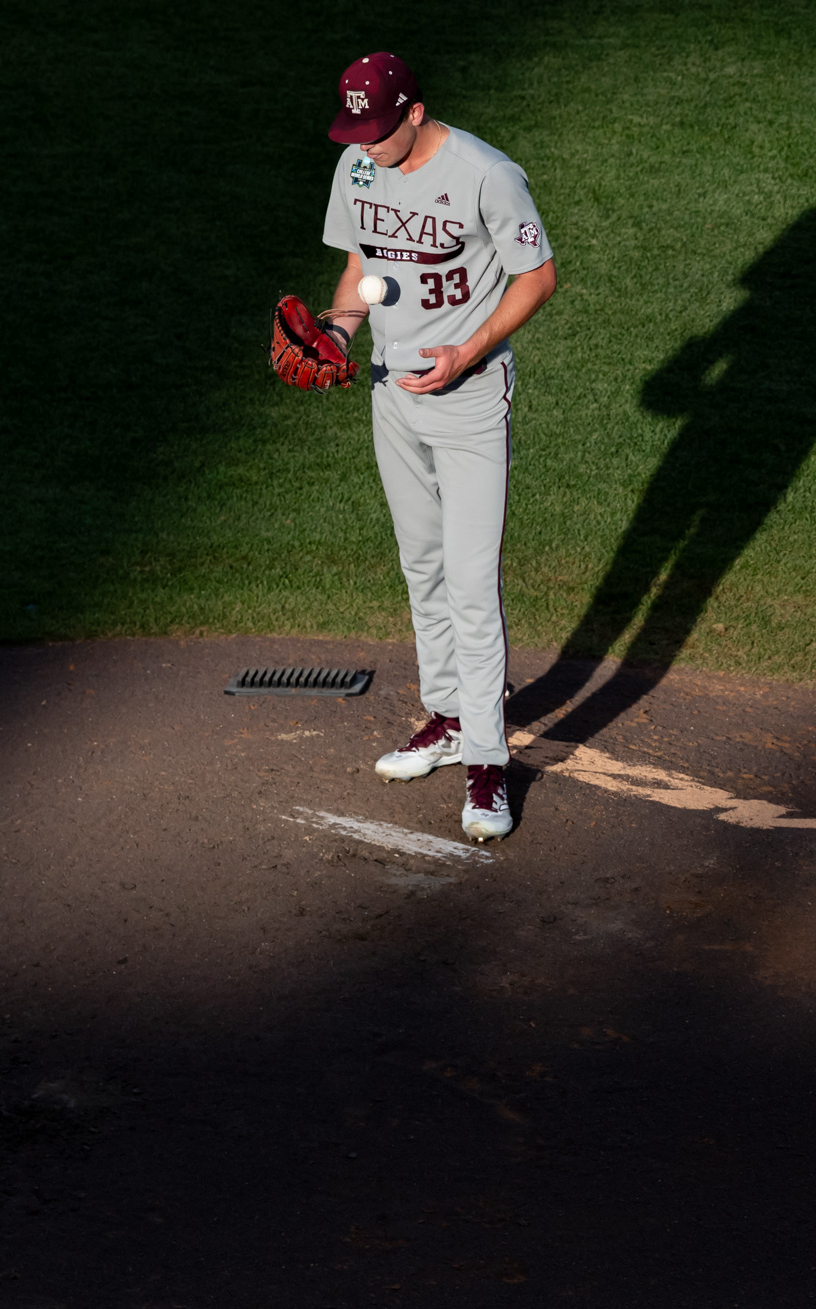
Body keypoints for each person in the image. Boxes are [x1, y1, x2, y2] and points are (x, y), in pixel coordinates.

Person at [314, 52, 556, 843]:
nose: (368, 145)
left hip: (471, 399)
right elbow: (361, 266)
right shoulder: (357, 166)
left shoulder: (486, 173)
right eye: (358, 131)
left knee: (469, 579)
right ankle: (448, 717)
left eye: (380, 130)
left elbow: (538, 275)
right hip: (392, 394)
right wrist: (339, 332)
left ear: (415, 111)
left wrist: (470, 350)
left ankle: (488, 761)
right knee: (422, 565)